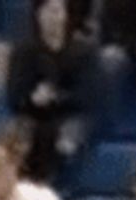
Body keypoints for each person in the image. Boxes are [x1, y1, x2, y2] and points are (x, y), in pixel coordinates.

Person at [7, 0, 97, 183]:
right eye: (47, 12)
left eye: (57, 11)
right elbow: (14, 97)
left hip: (71, 114)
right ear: (38, 16)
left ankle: (57, 188)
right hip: (33, 114)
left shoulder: (83, 52)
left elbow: (88, 96)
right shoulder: (24, 51)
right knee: (23, 137)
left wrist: (56, 98)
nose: (53, 18)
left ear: (66, 16)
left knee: (65, 140)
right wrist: (33, 99)